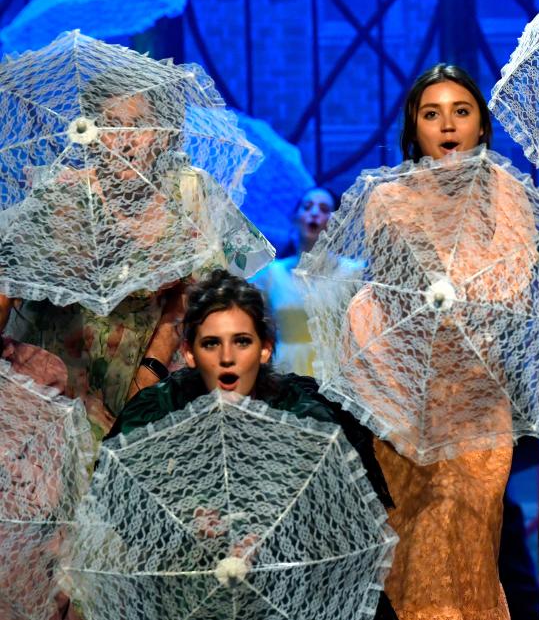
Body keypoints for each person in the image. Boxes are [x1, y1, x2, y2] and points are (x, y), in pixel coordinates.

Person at [345, 63, 535, 620]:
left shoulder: (506, 193)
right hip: (403, 399)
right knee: (411, 560)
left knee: (465, 551)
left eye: (461, 111)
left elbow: (510, 291)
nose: (447, 125)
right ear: (414, 131)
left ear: (481, 127)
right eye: (432, 114)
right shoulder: (390, 200)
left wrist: (454, 293)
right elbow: (388, 298)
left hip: (477, 402)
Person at [108, 269, 398, 620]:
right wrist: (186, 527)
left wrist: (269, 538)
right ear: (188, 352)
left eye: (242, 341)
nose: (227, 358)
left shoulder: (307, 423)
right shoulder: (156, 413)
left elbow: (339, 538)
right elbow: (121, 500)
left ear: (265, 349)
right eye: (211, 343)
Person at [2, 67, 270, 440]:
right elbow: (8, 278)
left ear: (165, 136)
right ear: (92, 134)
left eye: (138, 126)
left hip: (163, 362)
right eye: (109, 125)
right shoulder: (63, 195)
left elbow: (198, 295)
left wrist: (149, 375)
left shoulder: (189, 192)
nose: (123, 140)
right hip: (68, 368)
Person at [252, 186, 338, 376]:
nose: (314, 213)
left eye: (324, 209)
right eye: (307, 207)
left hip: (334, 371)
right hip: (286, 371)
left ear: (334, 223)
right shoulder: (272, 274)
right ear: (295, 218)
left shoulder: (350, 272)